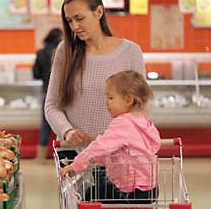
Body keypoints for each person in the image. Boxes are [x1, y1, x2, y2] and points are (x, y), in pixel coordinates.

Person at [45, 0, 146, 147]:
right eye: (69, 21)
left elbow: (140, 106)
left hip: (118, 154)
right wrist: (67, 131)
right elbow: (51, 105)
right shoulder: (65, 52)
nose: (74, 26)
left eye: (79, 18)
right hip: (74, 155)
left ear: (99, 12)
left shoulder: (131, 51)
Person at [60, 70, 160, 203]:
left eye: (110, 98)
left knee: (92, 195)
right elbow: (154, 144)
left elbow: (100, 147)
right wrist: (99, 159)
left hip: (130, 191)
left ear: (128, 99)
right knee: (99, 182)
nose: (106, 102)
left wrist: (76, 165)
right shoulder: (144, 121)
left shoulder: (122, 122)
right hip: (150, 188)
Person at [33, 28, 62, 161]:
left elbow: (35, 74)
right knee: (62, 122)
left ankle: (40, 157)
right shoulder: (63, 51)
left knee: (46, 123)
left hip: (47, 91)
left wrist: (45, 76)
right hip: (63, 92)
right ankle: (62, 156)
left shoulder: (41, 52)